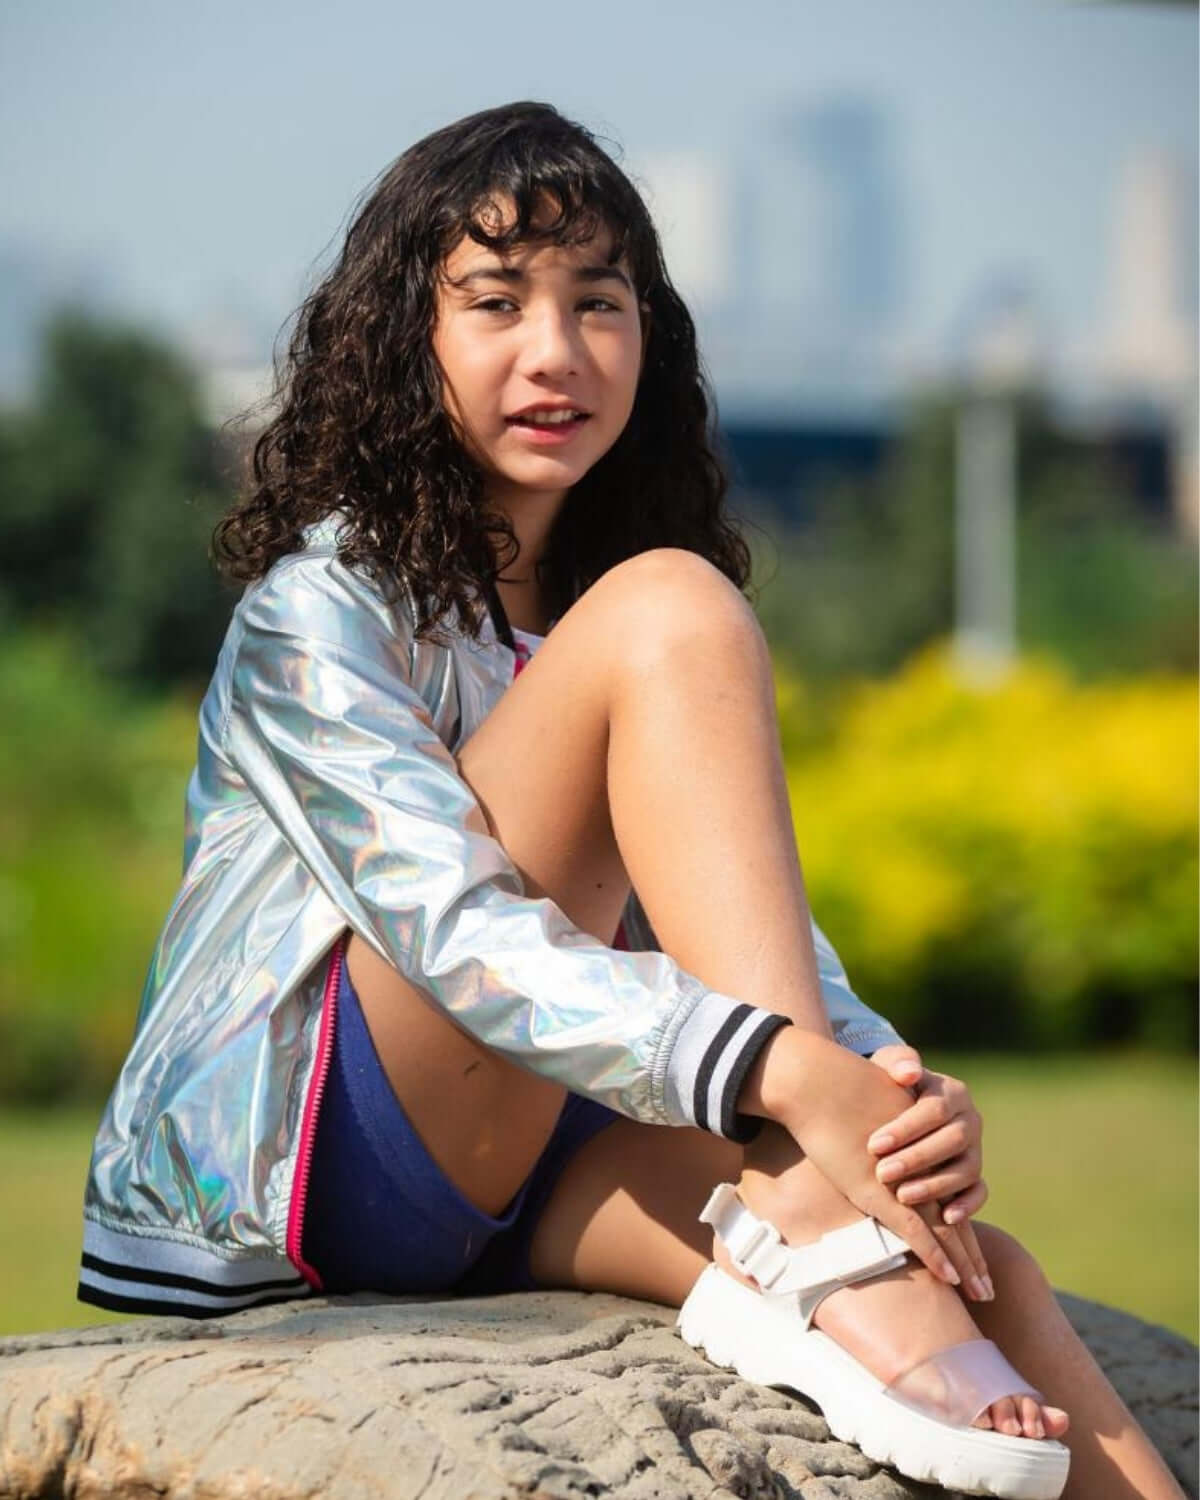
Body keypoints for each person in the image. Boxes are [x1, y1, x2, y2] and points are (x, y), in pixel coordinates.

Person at [78, 102, 1183, 1500]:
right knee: (670, 605)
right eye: (495, 303)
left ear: (647, 337)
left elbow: (749, 936)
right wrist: (787, 1084)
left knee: (982, 1275)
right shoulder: (325, 612)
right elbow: (458, 938)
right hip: (337, 1159)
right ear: (404, 339)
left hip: (551, 1154)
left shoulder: (603, 611)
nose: (557, 351)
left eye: (599, 303)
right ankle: (808, 1210)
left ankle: (839, 1232)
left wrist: (881, 1094)